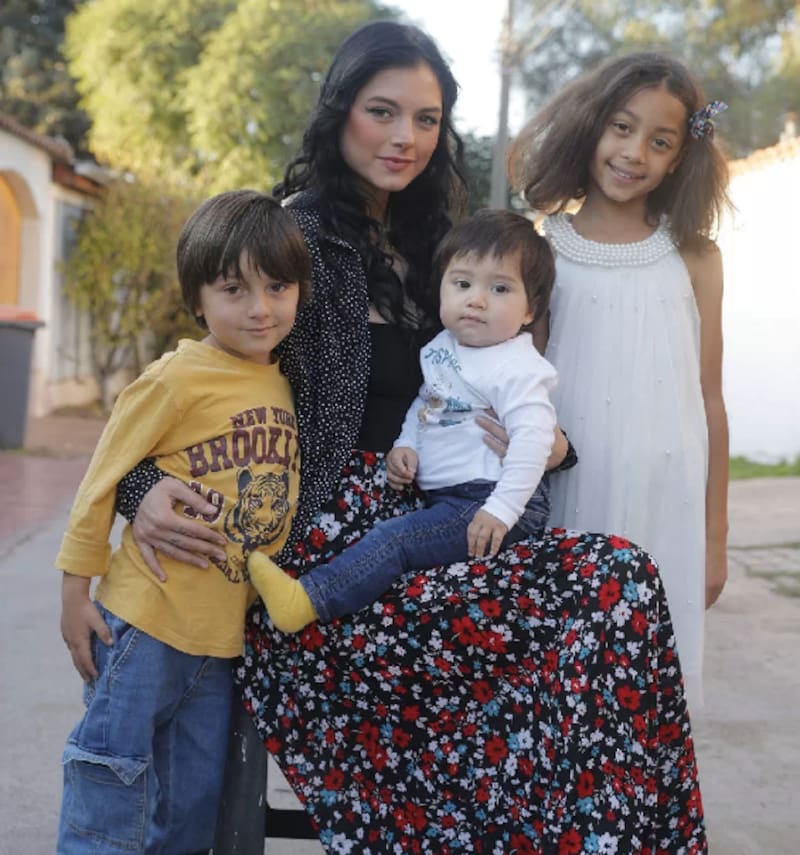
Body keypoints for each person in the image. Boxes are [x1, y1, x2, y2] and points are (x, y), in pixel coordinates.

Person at [114, 23, 706, 854]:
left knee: (620, 581)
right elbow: (191, 387)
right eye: (382, 112)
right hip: (328, 548)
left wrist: (552, 445)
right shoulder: (288, 238)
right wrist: (139, 490)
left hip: (442, 517)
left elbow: (508, 378)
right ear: (340, 111)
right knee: (570, 618)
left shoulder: (446, 243)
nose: (405, 138)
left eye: (426, 120)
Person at [56, 190, 311, 854]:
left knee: (193, 802)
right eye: (234, 290)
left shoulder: (287, 384)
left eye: (277, 287)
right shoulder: (175, 377)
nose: (259, 308)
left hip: (223, 641)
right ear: (198, 299)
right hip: (147, 619)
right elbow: (102, 480)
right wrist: (75, 593)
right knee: (112, 773)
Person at [509, 52, 731, 706]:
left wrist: (714, 537)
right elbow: (522, 388)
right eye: (622, 127)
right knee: (564, 689)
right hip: (571, 496)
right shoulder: (542, 251)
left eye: (660, 142)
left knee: (643, 693)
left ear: (680, 158)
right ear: (592, 125)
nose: (634, 153)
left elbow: (710, 398)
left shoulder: (696, 257)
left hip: (668, 504)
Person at [252, 209, 558, 632]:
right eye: (462, 284)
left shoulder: (517, 367)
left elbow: (534, 443)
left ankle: (306, 600)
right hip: (452, 497)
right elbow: (427, 402)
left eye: (500, 288)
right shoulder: (443, 347)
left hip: (490, 501)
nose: (477, 300)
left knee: (395, 540)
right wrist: (407, 443)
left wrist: (501, 511)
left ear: (530, 309)